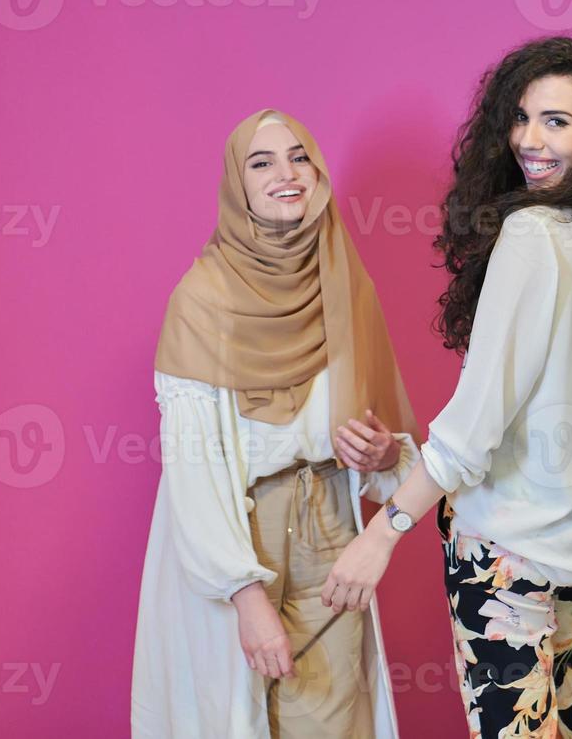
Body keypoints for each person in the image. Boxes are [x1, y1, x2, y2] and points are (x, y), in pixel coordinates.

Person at [320, 36, 572, 738]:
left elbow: (476, 432)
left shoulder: (532, 233)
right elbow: (555, 417)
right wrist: (400, 456)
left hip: (510, 557)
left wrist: (385, 529)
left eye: (556, 120)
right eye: (521, 118)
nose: (528, 140)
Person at [132, 109, 421, 738]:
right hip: (240, 534)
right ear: (238, 184)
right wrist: (243, 593)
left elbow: (394, 456)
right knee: (237, 719)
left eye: (299, 157)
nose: (286, 174)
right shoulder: (203, 299)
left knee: (332, 719)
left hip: (333, 530)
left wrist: (377, 456)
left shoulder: (344, 286)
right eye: (261, 163)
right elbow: (193, 468)